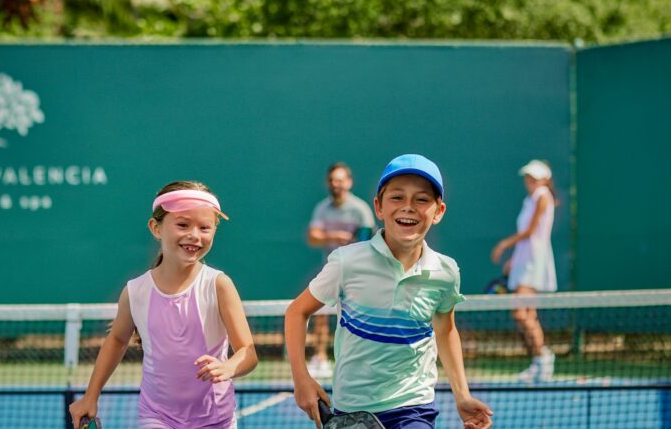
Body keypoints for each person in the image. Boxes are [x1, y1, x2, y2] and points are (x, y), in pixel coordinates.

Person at [286, 154, 493, 429]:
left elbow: (445, 329)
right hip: (352, 409)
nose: (408, 207)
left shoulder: (446, 272)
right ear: (379, 207)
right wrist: (302, 380)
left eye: (421, 199)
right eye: (397, 197)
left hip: (413, 407)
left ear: (439, 211)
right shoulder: (346, 262)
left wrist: (462, 395)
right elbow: (297, 312)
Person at [69, 181, 258, 429]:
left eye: (205, 227)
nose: (194, 235)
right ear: (155, 228)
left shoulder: (219, 285)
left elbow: (248, 352)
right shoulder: (135, 291)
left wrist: (228, 366)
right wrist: (91, 396)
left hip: (217, 419)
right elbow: (117, 340)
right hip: (156, 416)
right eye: (182, 225)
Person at [306, 162, 376, 378]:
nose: (337, 184)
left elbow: (369, 237)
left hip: (358, 271)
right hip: (331, 268)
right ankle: (320, 358)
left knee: (361, 313)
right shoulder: (322, 208)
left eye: (341, 180)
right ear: (329, 183)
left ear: (349, 182)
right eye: (333, 180)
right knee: (319, 312)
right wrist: (334, 237)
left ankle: (363, 358)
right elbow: (313, 236)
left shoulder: (360, 209)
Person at [491, 159, 557, 383]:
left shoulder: (542, 196)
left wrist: (503, 245)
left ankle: (543, 357)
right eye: (528, 177)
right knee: (528, 314)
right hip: (525, 258)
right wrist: (514, 260)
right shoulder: (530, 199)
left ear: (544, 179)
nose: (530, 181)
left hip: (534, 260)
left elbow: (530, 232)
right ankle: (539, 361)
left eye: (534, 177)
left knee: (520, 311)